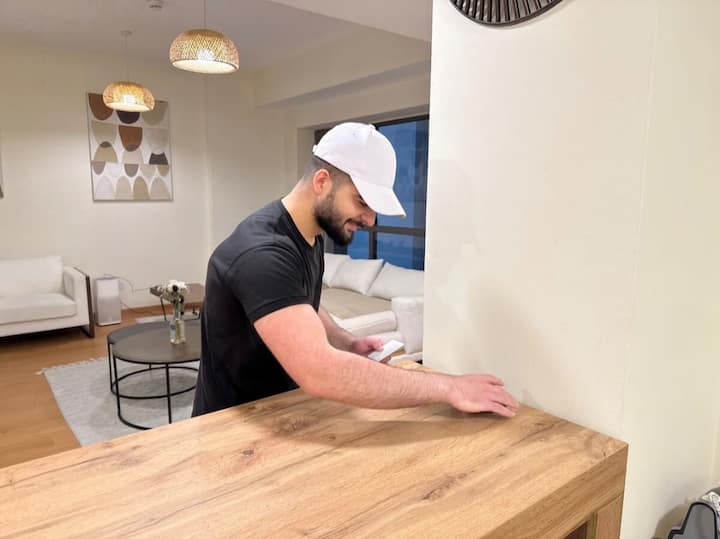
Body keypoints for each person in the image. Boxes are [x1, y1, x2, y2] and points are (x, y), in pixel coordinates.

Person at [191, 122, 518, 418]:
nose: (370, 220)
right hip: (232, 425)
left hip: (281, 412)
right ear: (322, 182)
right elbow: (320, 371)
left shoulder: (310, 235)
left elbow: (299, 303)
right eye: (362, 202)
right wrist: (450, 387)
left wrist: (346, 341)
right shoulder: (262, 253)